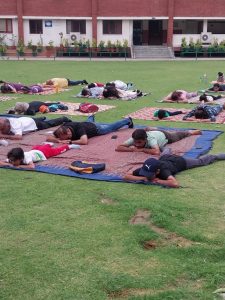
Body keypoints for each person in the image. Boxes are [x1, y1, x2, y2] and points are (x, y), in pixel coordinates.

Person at [123, 149, 225, 188]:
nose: (147, 176)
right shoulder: (146, 168)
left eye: (150, 175)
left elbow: (175, 183)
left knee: (200, 161)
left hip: (180, 162)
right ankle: (167, 149)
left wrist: (159, 181)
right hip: (164, 158)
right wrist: (142, 178)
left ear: (157, 171)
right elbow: (126, 176)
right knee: (164, 154)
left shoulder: (163, 172)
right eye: (146, 173)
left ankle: (217, 156)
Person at [46, 116, 133, 145]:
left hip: (96, 129)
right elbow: (48, 138)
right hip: (86, 124)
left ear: (68, 132)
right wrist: (57, 140)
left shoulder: (79, 128)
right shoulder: (61, 129)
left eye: (62, 137)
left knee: (111, 127)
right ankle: (91, 116)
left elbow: (84, 141)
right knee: (88, 122)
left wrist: (70, 142)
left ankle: (128, 120)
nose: (62, 139)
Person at [115, 128, 201, 155]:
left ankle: (193, 131)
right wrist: (132, 149)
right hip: (154, 133)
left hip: (165, 135)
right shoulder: (134, 139)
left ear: (145, 140)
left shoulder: (151, 139)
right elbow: (118, 147)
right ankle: (151, 128)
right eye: (135, 142)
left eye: (139, 142)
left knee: (180, 135)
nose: (136, 144)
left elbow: (157, 152)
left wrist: (142, 150)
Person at [0, 143, 79, 169]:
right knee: (38, 146)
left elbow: (32, 167)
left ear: (20, 158)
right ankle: (48, 144)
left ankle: (69, 146)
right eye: (12, 160)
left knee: (57, 151)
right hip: (34, 150)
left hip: (43, 153)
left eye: (14, 161)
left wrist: (18, 166)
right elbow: (1, 162)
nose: (13, 162)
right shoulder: (13, 158)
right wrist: (8, 164)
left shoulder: (26, 158)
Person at [0, 116, 71, 140]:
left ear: (8, 126)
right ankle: (41, 118)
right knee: (39, 120)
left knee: (49, 124)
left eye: (2, 129)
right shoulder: (5, 121)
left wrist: (3, 136)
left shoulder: (15, 126)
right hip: (24, 119)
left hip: (33, 124)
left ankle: (62, 119)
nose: (1, 131)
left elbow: (19, 137)